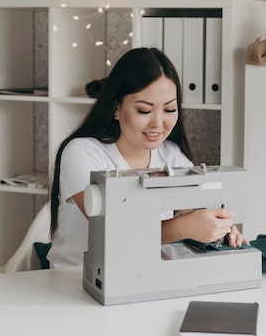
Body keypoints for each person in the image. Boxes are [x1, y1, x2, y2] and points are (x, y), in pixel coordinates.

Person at [47, 47, 247, 268]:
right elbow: (112, 230)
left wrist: (219, 228)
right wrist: (184, 227)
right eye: (144, 110)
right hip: (75, 279)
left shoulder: (171, 155)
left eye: (169, 109)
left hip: (145, 275)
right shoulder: (82, 152)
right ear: (116, 107)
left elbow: (198, 211)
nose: (158, 123)